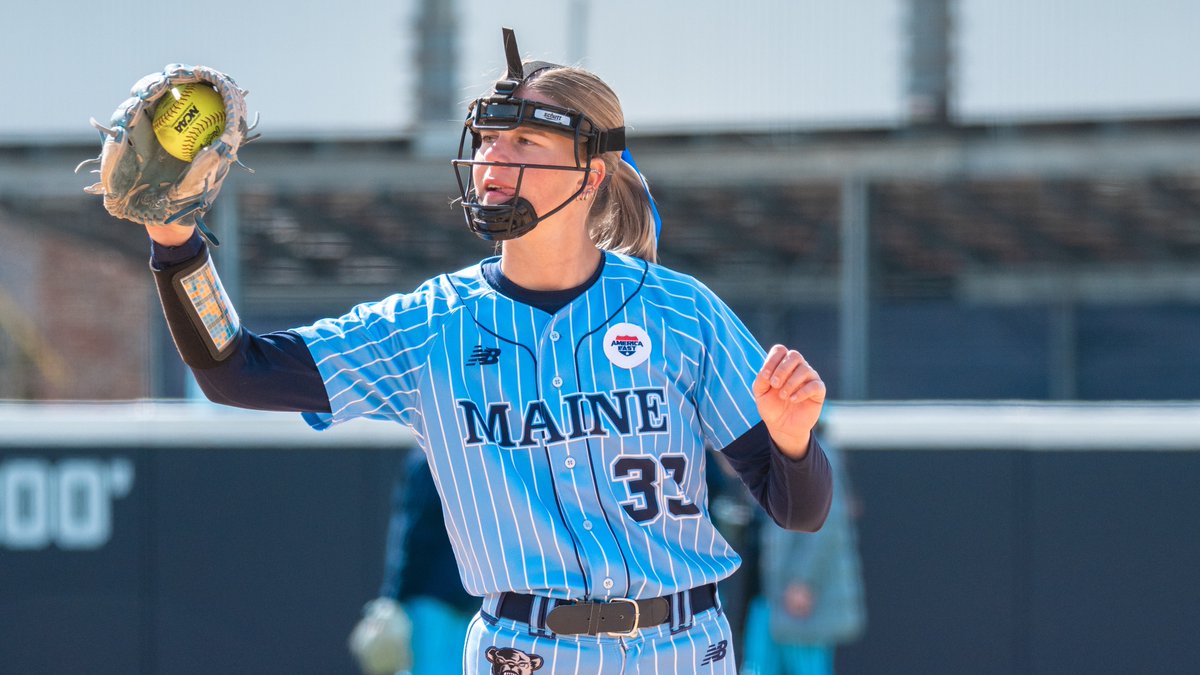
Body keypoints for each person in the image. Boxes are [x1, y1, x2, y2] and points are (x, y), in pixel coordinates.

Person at [136, 28, 833, 674]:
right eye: (490, 139)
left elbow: (798, 507)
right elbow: (235, 371)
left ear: (592, 174)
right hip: (522, 650)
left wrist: (795, 442)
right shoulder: (430, 323)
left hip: (683, 648)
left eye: (526, 142)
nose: (495, 157)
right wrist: (175, 244)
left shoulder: (680, 311)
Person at [740, 432, 866, 675]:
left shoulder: (819, 455)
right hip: (766, 597)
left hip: (796, 600)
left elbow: (828, 526)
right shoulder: (763, 453)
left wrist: (804, 581)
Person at [349, 452, 478, 675]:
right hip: (476, 595)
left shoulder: (427, 460)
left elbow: (412, 534)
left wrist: (393, 596)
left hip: (431, 598)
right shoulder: (480, 459)